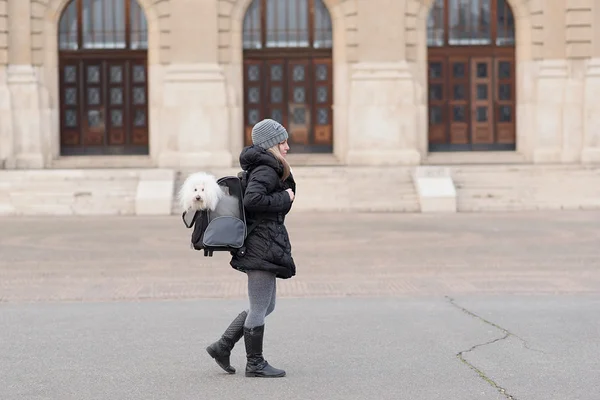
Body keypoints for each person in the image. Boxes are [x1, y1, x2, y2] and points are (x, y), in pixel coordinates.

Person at [206, 118, 296, 378]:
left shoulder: (265, 166)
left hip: (263, 243)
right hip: (261, 246)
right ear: (271, 145)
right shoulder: (266, 169)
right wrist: (285, 197)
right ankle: (254, 364)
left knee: (266, 306)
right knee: (260, 307)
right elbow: (253, 199)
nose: (287, 147)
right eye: (283, 142)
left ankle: (222, 346)